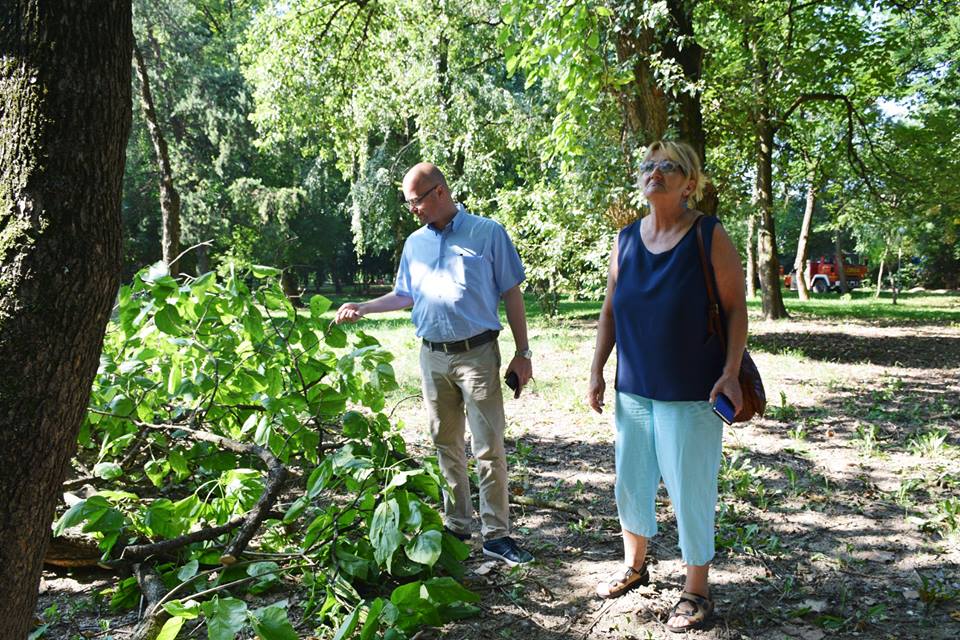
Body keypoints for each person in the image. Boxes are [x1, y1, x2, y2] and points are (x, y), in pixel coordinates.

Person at [335, 162, 535, 566]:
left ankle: (497, 535)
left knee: (488, 447)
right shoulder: (415, 244)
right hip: (432, 356)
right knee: (445, 444)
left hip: (477, 354)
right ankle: (458, 525)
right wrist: (363, 307)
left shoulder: (487, 233)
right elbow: (404, 295)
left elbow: (512, 293)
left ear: (440, 192)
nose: (413, 211)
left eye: (417, 202)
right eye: (409, 204)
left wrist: (523, 352)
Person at [586, 141, 747, 632]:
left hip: (692, 392)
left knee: (689, 487)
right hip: (633, 389)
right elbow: (611, 309)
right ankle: (635, 566)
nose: (655, 172)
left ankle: (696, 589)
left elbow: (736, 308)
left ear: (689, 182)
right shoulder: (625, 240)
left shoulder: (708, 235)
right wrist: (597, 368)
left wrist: (731, 370)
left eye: (668, 166)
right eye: (648, 165)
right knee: (631, 482)